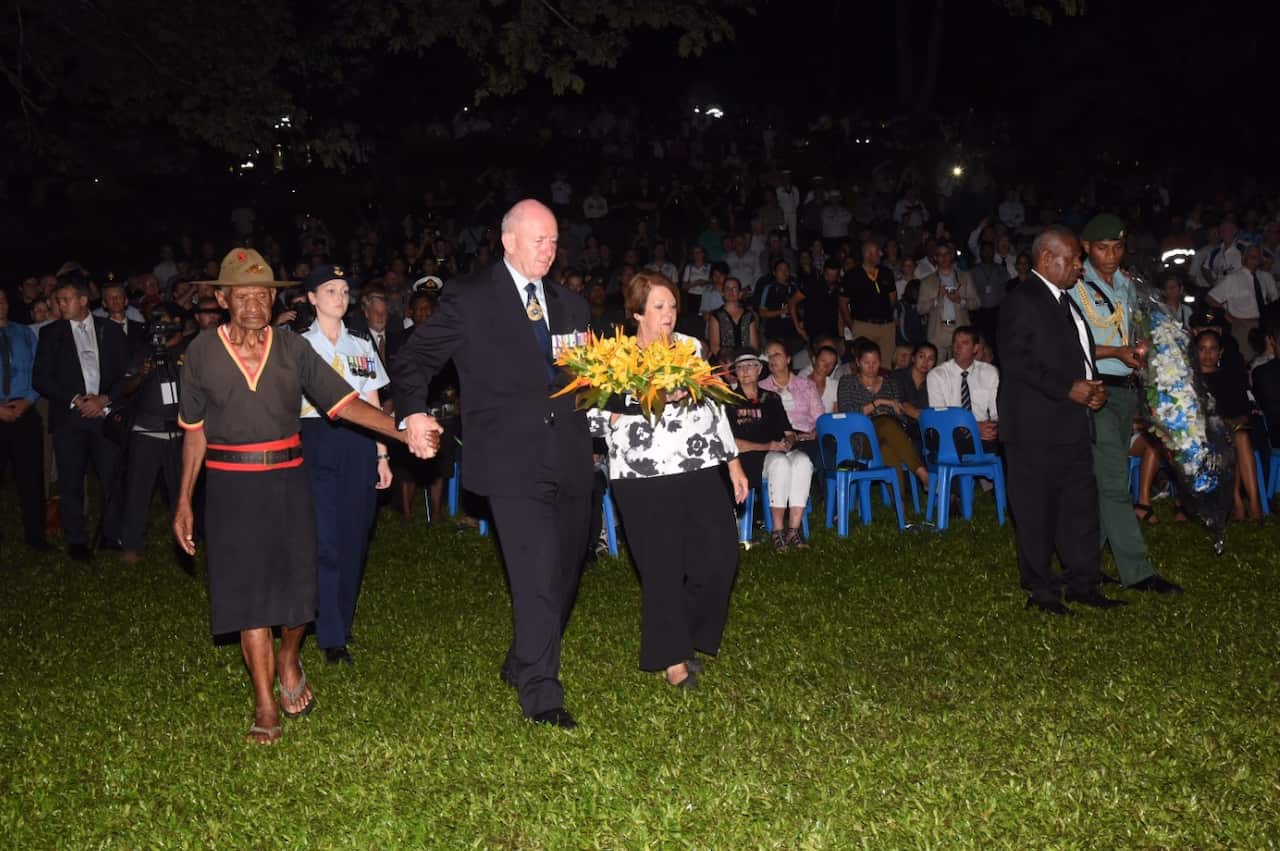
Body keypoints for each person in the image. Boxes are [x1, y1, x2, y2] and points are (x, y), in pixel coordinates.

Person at [172, 248, 415, 745]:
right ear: (223, 299)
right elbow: (193, 432)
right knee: (249, 599)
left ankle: (289, 657)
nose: (255, 305)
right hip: (230, 486)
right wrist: (183, 502)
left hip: (289, 480)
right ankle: (265, 704)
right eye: (243, 296)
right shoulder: (199, 353)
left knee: (299, 595)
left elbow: (345, 402)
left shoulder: (292, 349)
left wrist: (400, 432)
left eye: (263, 295)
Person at [393, 199, 593, 730]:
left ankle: (522, 658)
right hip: (511, 461)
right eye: (538, 241)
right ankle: (542, 693)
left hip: (571, 458)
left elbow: (586, 382)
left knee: (566, 572)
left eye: (554, 241)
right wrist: (412, 410)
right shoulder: (471, 298)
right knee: (535, 575)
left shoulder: (572, 306)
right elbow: (414, 359)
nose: (548, 252)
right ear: (508, 241)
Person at [591, 272, 748, 686]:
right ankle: (673, 658)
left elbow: (714, 407)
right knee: (661, 565)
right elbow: (590, 413)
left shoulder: (691, 347)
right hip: (641, 473)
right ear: (638, 312)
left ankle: (687, 633)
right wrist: (628, 405)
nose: (668, 314)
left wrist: (732, 462)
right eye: (659, 306)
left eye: (673, 306)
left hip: (697, 466)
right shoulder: (614, 356)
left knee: (720, 557)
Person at [996, 226, 1126, 615]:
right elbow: (1017, 361)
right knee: (1036, 512)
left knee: (1080, 509)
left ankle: (1083, 583)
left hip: (1071, 424)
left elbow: (1079, 355)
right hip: (1034, 427)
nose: (1079, 268)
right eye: (1072, 260)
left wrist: (1093, 389)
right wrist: (1067, 388)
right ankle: (1042, 591)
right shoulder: (1022, 300)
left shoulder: (1065, 302)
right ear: (1046, 259)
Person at [1069, 214, 1181, 594]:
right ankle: (1138, 572)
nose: (1112, 255)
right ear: (1086, 247)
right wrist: (1117, 350)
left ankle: (1083, 562)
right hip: (1094, 390)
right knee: (1116, 482)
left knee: (1105, 479)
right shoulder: (1073, 284)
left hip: (1125, 388)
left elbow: (1134, 332)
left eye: (1118, 246)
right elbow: (1069, 345)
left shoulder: (1127, 285)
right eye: (1103, 247)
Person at [297, 265, 394, 665]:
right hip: (315, 439)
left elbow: (372, 403)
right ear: (312, 298)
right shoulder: (297, 346)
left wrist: (382, 454)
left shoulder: (360, 346)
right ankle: (329, 632)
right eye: (330, 290)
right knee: (325, 539)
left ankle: (341, 622)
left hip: (357, 445)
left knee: (355, 536)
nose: (339, 297)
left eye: (344, 290)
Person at [32, 272, 131, 561]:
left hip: (103, 416)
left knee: (110, 476)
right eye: (58, 300)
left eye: (65, 300)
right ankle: (76, 540)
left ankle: (112, 534)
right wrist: (75, 399)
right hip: (70, 421)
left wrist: (104, 399)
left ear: (83, 300)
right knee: (71, 480)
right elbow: (41, 378)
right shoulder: (51, 333)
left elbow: (126, 375)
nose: (60, 305)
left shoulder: (109, 329)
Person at [117, 302, 190, 565]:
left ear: (178, 323)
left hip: (181, 435)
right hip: (146, 432)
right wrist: (142, 373)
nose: (160, 324)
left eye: (165, 319)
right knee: (138, 491)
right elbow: (126, 388)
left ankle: (185, 543)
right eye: (156, 319)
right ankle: (132, 545)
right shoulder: (144, 350)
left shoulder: (190, 351)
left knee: (181, 492)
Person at [726, 348, 811, 549]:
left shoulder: (772, 399)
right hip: (747, 459)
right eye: (740, 367)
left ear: (759, 370)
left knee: (803, 462)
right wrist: (767, 446)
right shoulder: (729, 400)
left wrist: (789, 442)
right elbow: (731, 443)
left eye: (751, 366)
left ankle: (794, 530)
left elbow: (788, 431)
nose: (746, 371)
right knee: (780, 463)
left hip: (775, 452)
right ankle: (777, 531)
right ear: (735, 373)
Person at [836, 339, 929, 493]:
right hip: (861, 441)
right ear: (858, 362)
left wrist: (887, 412)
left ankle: (902, 514)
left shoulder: (891, 383)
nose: (872, 367)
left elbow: (902, 416)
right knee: (884, 422)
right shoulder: (847, 382)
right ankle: (922, 473)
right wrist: (878, 403)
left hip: (890, 437)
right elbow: (848, 413)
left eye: (875, 362)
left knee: (887, 447)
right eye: (867, 363)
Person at [1194, 330, 1263, 520]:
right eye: (1202, 349)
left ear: (1220, 352)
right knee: (1230, 439)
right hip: (1201, 436)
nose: (1207, 354)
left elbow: (1245, 412)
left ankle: (1254, 504)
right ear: (1195, 351)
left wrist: (1231, 423)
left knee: (1239, 436)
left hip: (1232, 431)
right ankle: (1238, 503)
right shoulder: (1189, 380)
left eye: (1213, 349)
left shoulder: (1231, 377)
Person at [0, 289, 48, 553]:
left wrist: (29, 400)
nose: (1, 304)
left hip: (24, 410)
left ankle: (36, 537)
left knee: (30, 478)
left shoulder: (24, 333)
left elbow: (37, 370)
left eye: (4, 299)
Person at [926, 326, 1000, 447]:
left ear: (975, 348)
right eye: (955, 342)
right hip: (951, 434)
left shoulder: (989, 372)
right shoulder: (937, 375)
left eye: (964, 343)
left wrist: (992, 426)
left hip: (984, 435)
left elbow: (996, 411)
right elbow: (940, 416)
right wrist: (973, 426)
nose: (957, 347)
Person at [759, 338, 824, 471]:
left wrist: (815, 433)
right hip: (779, 439)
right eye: (768, 355)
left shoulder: (806, 385)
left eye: (776, 354)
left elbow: (820, 418)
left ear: (788, 359)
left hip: (806, 437)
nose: (772, 358)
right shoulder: (761, 388)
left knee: (822, 450)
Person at [1207, 244, 1277, 360]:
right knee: (1245, 359)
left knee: (1267, 358)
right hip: (1243, 326)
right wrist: (1230, 318)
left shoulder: (1265, 277)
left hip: (1264, 325)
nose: (1254, 259)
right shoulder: (1233, 278)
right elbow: (1210, 298)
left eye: (1257, 256)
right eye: (1251, 256)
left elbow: (1274, 299)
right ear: (1244, 259)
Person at [917, 242, 978, 361]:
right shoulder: (927, 281)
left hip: (960, 328)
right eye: (940, 254)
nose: (943, 257)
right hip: (937, 331)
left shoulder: (965, 277)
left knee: (959, 368)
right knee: (937, 371)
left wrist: (961, 300)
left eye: (946, 254)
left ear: (951, 256)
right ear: (935, 258)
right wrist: (936, 299)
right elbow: (920, 309)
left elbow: (976, 303)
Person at [838, 240, 897, 359]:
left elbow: (893, 299)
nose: (881, 253)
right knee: (865, 363)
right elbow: (842, 303)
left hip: (886, 326)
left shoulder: (886, 272)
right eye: (877, 251)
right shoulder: (852, 275)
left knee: (886, 365)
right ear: (867, 254)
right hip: (864, 325)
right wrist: (852, 326)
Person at [890, 341, 936, 445]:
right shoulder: (898, 376)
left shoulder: (935, 381)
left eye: (931, 359)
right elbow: (902, 404)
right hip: (901, 425)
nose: (925, 362)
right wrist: (924, 416)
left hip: (925, 428)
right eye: (921, 356)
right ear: (913, 358)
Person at [707, 276, 759, 357]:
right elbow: (714, 347)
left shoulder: (748, 315)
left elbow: (754, 346)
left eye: (734, 288)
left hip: (745, 361)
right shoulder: (716, 315)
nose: (731, 291)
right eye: (727, 288)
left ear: (740, 293)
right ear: (723, 293)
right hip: (724, 361)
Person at [809, 344, 843, 413]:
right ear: (814, 359)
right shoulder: (800, 383)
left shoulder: (835, 385)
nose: (826, 366)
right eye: (823, 361)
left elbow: (836, 414)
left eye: (831, 364)